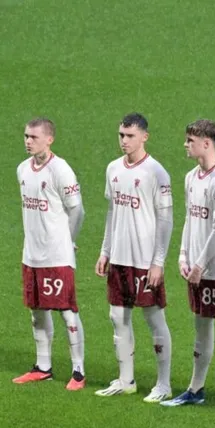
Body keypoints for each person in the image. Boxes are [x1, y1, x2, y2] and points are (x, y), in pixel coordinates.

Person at [162, 119, 215, 416]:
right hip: (196, 268)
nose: (185, 144)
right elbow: (190, 219)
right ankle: (195, 389)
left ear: (206, 143)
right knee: (200, 326)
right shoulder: (191, 177)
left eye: (190, 140)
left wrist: (201, 264)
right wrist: (183, 256)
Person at [94, 113, 174, 403]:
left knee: (154, 318)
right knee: (117, 316)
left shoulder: (156, 173)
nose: (124, 141)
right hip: (119, 258)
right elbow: (112, 212)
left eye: (130, 136)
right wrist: (105, 251)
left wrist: (158, 262)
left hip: (144, 261)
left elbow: (166, 220)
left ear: (144, 137)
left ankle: (163, 384)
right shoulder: (113, 169)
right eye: (121, 135)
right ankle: (126, 380)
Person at [14, 117, 86, 391]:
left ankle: (78, 370)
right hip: (31, 254)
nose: (28, 141)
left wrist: (69, 241)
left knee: (66, 311)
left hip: (57, 255)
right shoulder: (22, 169)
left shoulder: (61, 170)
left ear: (49, 139)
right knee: (37, 311)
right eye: (26, 136)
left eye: (33, 137)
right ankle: (42, 366)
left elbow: (77, 210)